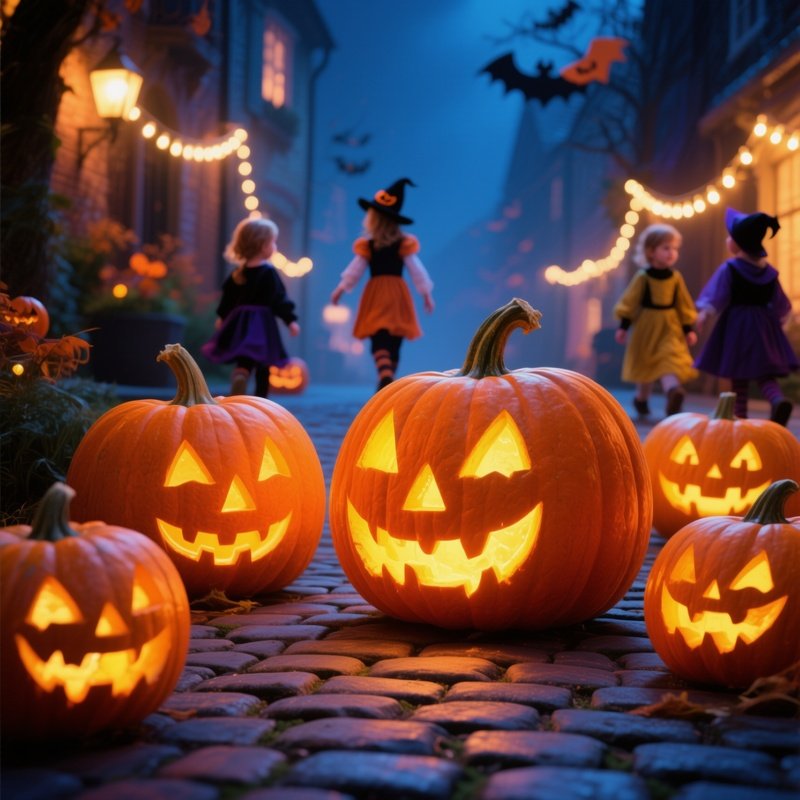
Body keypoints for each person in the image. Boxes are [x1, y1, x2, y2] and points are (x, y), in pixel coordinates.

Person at [694, 207, 797, 426]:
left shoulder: (730, 268)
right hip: (764, 326)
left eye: (730, 236)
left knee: (738, 375)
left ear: (737, 243)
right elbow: (782, 304)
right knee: (765, 374)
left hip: (737, 326)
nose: (727, 239)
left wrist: (704, 313)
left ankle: (740, 420)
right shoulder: (770, 272)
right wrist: (777, 323)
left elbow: (717, 295)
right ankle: (777, 400)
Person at [330, 177, 434, 390]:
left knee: (379, 338)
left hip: (376, 294)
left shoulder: (368, 246)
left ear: (373, 219)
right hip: (397, 295)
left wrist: (340, 289)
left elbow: (354, 271)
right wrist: (426, 294)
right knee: (395, 340)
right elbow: (417, 271)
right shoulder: (402, 245)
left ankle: (385, 374)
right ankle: (388, 376)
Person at [202, 217, 299, 397]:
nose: (275, 246)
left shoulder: (237, 274)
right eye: (273, 242)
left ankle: (241, 374)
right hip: (262, 325)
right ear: (263, 246)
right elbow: (278, 299)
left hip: (240, 324)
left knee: (245, 357)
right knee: (264, 363)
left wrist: (222, 318)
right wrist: (290, 320)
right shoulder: (268, 272)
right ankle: (261, 400)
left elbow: (227, 300)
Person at [614, 223, 698, 417]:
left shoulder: (675, 278)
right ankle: (641, 399)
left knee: (669, 360)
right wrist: (623, 326)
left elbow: (683, 304)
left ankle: (673, 392)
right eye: (666, 248)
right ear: (651, 252)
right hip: (646, 328)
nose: (671, 253)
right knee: (646, 367)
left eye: (674, 249)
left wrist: (688, 328)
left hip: (670, 328)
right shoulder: (643, 277)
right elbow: (630, 302)